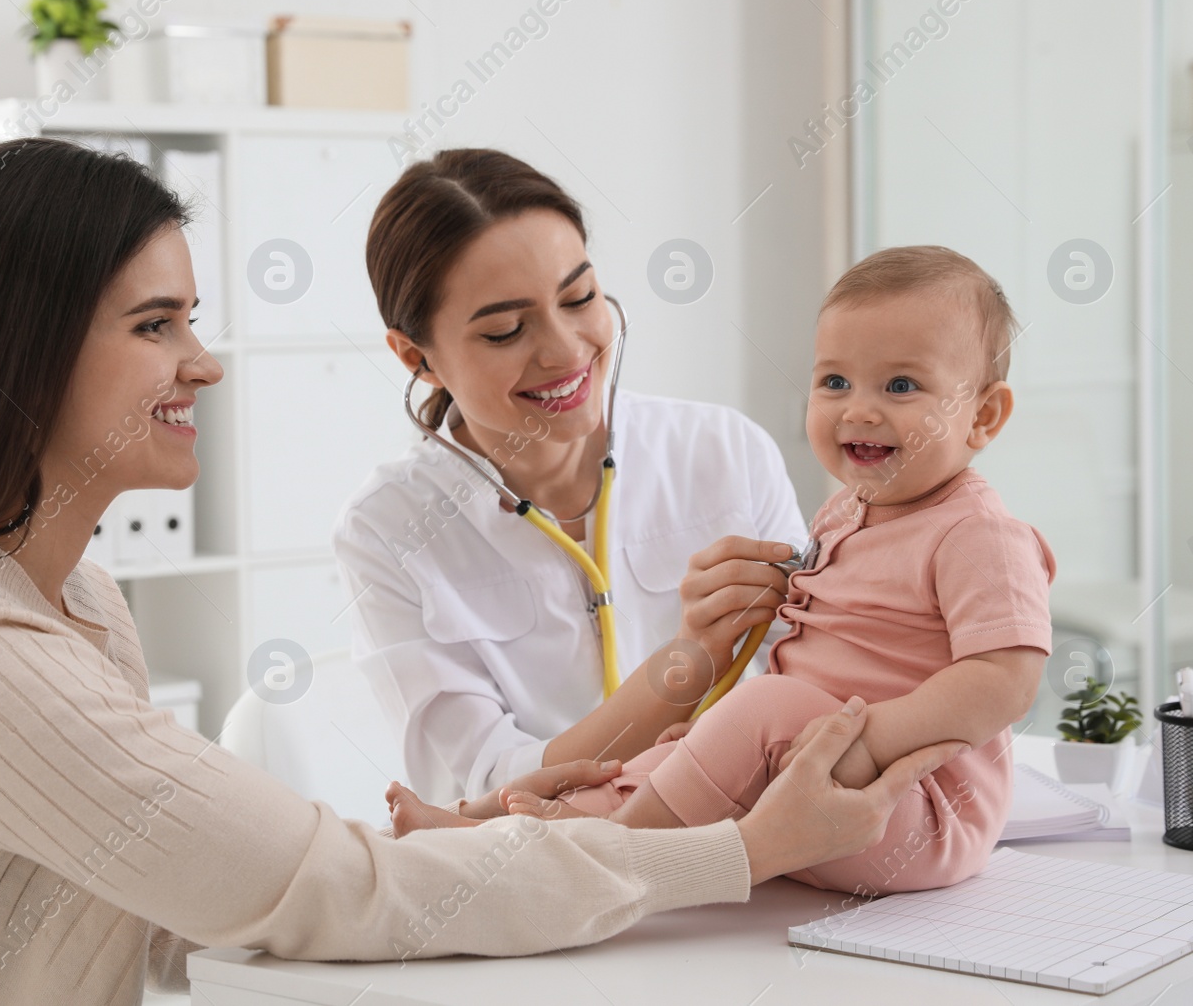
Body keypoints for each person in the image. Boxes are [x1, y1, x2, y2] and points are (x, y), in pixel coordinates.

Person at [0, 139, 968, 1003]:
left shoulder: (70, 598)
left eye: (191, 318)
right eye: (155, 325)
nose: (206, 361)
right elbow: (312, 887)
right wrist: (734, 848)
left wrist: (499, 830)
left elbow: (219, 867)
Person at [390, 247, 1057, 899]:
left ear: (984, 415)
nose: (858, 409)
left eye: (901, 386)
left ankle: (611, 861)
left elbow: (1005, 680)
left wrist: (861, 743)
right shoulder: (844, 513)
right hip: (806, 790)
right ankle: (486, 834)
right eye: (834, 381)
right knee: (665, 755)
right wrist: (724, 727)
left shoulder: (978, 534)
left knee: (760, 708)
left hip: (914, 807)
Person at [333, 148, 808, 806]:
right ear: (417, 357)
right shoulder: (387, 529)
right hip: (545, 880)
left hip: (758, 851)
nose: (565, 350)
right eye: (505, 331)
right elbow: (491, 787)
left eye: (579, 297)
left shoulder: (723, 451)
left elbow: (823, 675)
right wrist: (686, 662)